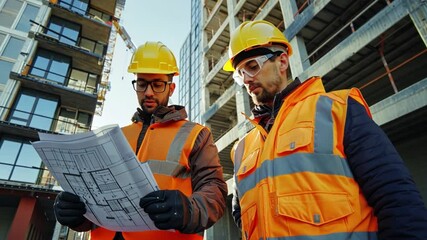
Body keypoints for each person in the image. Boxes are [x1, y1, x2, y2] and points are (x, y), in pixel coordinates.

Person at [223, 20, 427, 240]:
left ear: (282, 62)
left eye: (252, 66)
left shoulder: (338, 109)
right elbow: (242, 215)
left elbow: (396, 197)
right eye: (239, 74)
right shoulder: (242, 148)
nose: (245, 79)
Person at [53, 41, 228, 240]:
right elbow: (98, 203)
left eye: (157, 84)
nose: (149, 92)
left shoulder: (196, 134)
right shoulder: (116, 136)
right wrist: (77, 215)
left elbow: (215, 193)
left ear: (171, 88)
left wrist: (187, 209)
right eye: (142, 84)